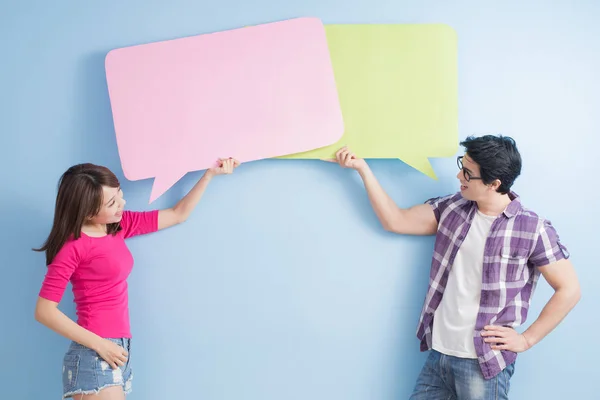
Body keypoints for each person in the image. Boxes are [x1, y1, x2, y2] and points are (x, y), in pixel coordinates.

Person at [328, 135, 580, 399]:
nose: (459, 175)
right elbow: (396, 220)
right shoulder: (452, 208)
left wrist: (527, 339)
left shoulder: (533, 228)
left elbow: (569, 289)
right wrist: (363, 169)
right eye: (462, 165)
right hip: (439, 355)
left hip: (482, 363)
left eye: (468, 173)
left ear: (494, 184)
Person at [34, 158, 240, 399]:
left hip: (119, 348)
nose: (122, 203)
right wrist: (101, 345)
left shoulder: (118, 226)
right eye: (112, 203)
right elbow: (44, 311)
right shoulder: (73, 246)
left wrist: (208, 175)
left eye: (119, 194)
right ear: (89, 212)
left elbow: (177, 214)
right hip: (95, 352)